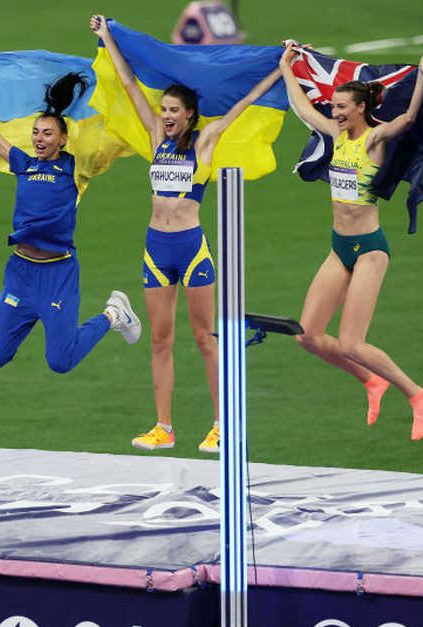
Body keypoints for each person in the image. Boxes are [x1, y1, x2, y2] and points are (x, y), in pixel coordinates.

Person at [90, 15, 282, 452]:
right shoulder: (156, 135)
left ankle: (222, 424)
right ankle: (163, 427)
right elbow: (130, 86)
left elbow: (247, 101)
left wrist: (280, 67)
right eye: (165, 110)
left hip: (192, 248)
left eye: (174, 110)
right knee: (160, 339)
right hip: (156, 247)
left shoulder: (206, 141)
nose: (167, 115)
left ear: (191, 114)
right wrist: (107, 38)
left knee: (204, 338)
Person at [278, 41, 423, 441]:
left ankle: (418, 394)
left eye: (341, 107)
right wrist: (286, 66)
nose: (334, 111)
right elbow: (302, 108)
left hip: (369, 251)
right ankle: (371, 380)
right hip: (339, 247)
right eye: (333, 106)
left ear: (360, 109)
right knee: (308, 335)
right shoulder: (336, 134)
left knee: (352, 341)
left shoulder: (374, 140)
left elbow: (409, 118)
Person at [0, 50, 142, 375]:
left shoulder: (75, 168)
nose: (39, 138)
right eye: (36, 132)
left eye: (47, 133)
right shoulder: (22, 164)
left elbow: (112, 137)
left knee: (60, 361)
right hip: (21, 273)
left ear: (64, 139)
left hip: (57, 275)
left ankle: (113, 315)